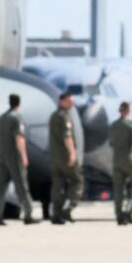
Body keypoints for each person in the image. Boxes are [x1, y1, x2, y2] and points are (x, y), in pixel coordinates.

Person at [0, 93, 33, 226]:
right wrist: (24, 156)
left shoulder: (1, 118)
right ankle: (28, 214)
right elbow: (19, 138)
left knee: (0, 188)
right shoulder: (17, 118)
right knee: (21, 187)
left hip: (1, 156)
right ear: (18, 104)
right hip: (14, 158)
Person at [47, 92, 84, 225]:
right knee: (78, 181)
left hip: (54, 157)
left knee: (57, 185)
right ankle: (67, 208)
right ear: (61, 101)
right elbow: (67, 137)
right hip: (65, 157)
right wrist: (72, 153)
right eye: (69, 101)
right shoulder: (64, 117)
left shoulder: (53, 116)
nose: (71, 104)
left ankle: (56, 215)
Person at [108, 100, 132, 226]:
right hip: (128, 158)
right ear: (128, 111)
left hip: (116, 160)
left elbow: (111, 143)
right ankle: (129, 211)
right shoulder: (130, 126)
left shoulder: (113, 125)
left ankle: (119, 216)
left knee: (118, 189)